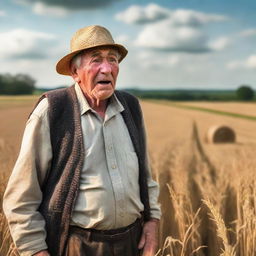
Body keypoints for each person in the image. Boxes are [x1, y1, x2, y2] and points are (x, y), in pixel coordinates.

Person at [3, 25, 161, 256]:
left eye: (113, 60)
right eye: (96, 60)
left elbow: (145, 175)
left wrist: (152, 221)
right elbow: (21, 196)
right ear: (74, 72)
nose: (107, 69)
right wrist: (35, 251)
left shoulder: (131, 108)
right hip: (78, 245)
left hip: (132, 242)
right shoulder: (54, 111)